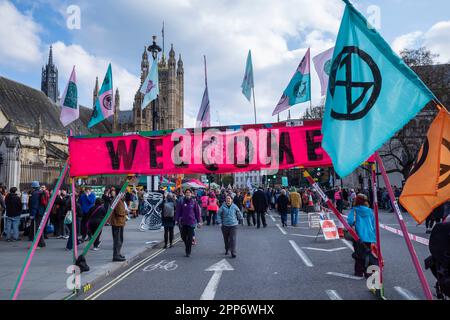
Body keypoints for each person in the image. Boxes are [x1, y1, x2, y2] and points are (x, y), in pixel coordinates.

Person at [347, 194, 377, 278]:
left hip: (358, 236)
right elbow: (373, 224)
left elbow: (350, 221)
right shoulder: (369, 211)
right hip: (369, 235)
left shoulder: (355, 210)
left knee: (358, 254)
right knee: (367, 253)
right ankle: (368, 272)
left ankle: (359, 271)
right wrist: (373, 235)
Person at [175, 189, 202, 257]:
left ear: (191, 194)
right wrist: (176, 219)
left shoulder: (194, 202)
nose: (188, 194)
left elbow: (197, 212)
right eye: (187, 192)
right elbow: (178, 211)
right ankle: (187, 245)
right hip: (183, 222)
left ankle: (188, 252)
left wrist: (198, 221)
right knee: (183, 237)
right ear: (185, 194)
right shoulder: (181, 201)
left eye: (189, 193)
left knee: (190, 238)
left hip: (191, 222)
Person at [110, 189, 127, 262]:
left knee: (120, 240)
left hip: (119, 222)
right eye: (124, 192)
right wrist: (125, 212)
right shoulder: (117, 200)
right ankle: (116, 255)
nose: (124, 194)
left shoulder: (120, 200)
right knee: (118, 240)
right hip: (117, 223)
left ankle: (118, 253)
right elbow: (119, 212)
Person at [29, 181, 46, 247]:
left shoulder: (35, 194)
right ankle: (41, 242)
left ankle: (39, 243)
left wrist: (32, 214)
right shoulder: (41, 192)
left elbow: (34, 205)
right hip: (41, 212)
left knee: (36, 228)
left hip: (37, 213)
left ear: (33, 187)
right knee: (39, 228)